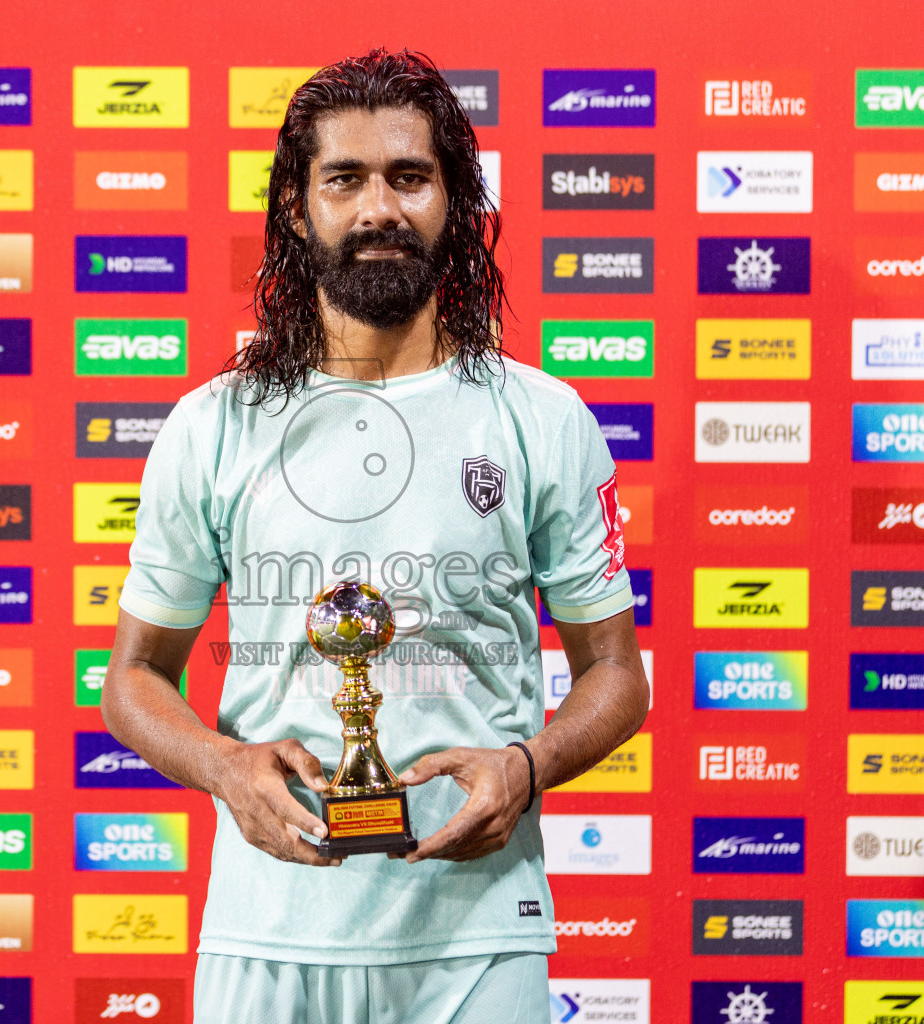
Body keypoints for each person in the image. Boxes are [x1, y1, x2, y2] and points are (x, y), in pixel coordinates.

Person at [99, 48, 650, 1024]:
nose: (378, 209)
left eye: (409, 176)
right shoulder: (211, 424)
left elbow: (615, 673)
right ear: (298, 209)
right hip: (268, 930)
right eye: (345, 179)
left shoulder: (542, 417)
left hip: (479, 936)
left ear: (456, 201)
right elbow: (134, 678)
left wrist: (523, 767)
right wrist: (226, 766)